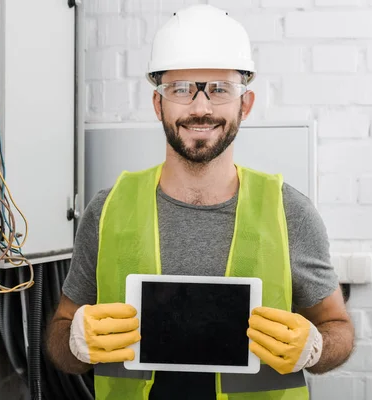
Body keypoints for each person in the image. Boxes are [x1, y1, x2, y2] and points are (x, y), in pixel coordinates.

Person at [47, 4, 354, 399]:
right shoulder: (107, 210)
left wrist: (315, 348)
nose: (201, 107)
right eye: (181, 89)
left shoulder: (288, 211)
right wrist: (73, 342)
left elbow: (338, 328)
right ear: (158, 103)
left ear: (245, 104)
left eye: (220, 89)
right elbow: (60, 333)